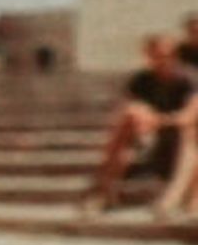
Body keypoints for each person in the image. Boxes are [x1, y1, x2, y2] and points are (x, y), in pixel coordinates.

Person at [82, 31, 193, 214]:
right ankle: (104, 191)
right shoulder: (141, 80)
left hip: (183, 145)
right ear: (148, 56)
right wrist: (142, 117)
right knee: (128, 117)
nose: (162, 60)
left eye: (167, 55)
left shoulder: (189, 79)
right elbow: (128, 110)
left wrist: (158, 120)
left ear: (175, 56)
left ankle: (172, 198)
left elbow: (189, 116)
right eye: (156, 56)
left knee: (189, 133)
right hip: (155, 141)